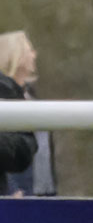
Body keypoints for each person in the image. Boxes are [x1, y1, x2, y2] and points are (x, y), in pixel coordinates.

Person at [0, 32, 55, 196]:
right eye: (29, 50)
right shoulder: (7, 91)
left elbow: (35, 147)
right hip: (16, 192)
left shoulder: (30, 96)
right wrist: (13, 189)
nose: (34, 55)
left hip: (41, 190)